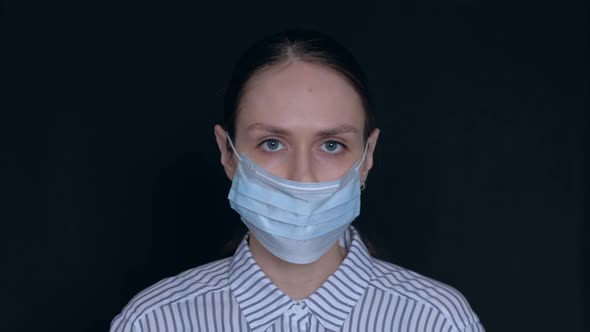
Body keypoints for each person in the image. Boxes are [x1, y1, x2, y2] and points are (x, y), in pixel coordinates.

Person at [110, 29, 485, 332]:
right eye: (272, 143)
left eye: (332, 144)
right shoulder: (153, 321)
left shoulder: (437, 321)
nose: (302, 176)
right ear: (227, 152)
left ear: (367, 156)